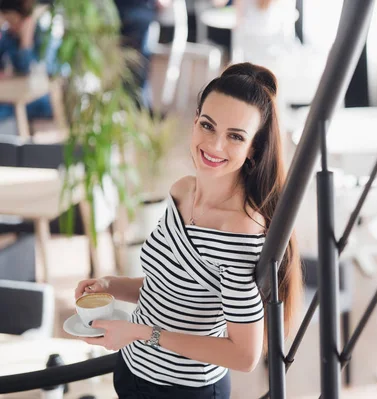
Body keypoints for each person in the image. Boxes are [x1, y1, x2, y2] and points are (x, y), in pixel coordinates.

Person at [74, 62, 303, 398]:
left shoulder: (240, 233)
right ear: (195, 120)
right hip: (132, 371)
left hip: (184, 390)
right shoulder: (182, 192)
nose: (215, 145)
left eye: (235, 136)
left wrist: (141, 333)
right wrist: (109, 285)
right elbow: (169, 289)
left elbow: (244, 355)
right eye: (208, 126)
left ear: (253, 147)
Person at [0, 0, 58, 123]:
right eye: (7, 21)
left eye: (12, 21)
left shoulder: (44, 37)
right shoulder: (8, 37)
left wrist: (26, 44)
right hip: (13, 95)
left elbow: (33, 73)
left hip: (38, 99)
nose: (10, 26)